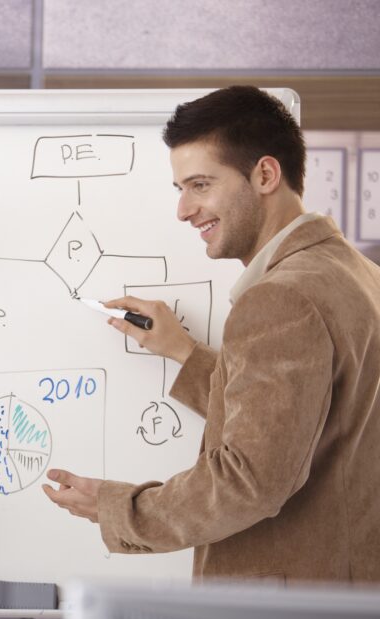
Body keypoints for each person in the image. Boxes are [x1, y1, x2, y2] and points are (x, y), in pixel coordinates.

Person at [43, 86, 380, 583]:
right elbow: (299, 422)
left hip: (288, 609)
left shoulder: (282, 296)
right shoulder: (357, 272)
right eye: (180, 188)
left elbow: (252, 479)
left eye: (200, 185)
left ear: (265, 175)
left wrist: (119, 509)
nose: (184, 210)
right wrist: (185, 352)